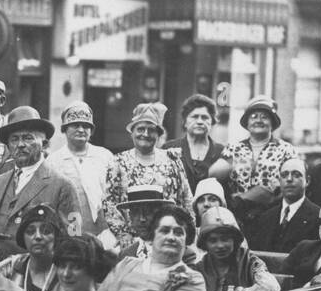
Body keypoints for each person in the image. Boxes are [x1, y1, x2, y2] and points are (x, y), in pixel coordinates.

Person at [102, 103, 193, 254]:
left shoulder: (172, 160)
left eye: (151, 130)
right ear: (132, 132)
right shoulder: (118, 161)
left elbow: (186, 198)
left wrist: (185, 233)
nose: (145, 134)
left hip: (167, 236)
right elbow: (109, 202)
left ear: (159, 134)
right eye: (140, 129)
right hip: (130, 239)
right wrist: (123, 233)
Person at [0, 106, 85, 240]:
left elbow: (74, 239)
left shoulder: (63, 186)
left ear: (44, 145)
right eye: (14, 139)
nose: (20, 144)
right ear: (8, 146)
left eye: (28, 138)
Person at [99, 207, 208, 291]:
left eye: (178, 232)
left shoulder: (191, 279)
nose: (171, 237)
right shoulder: (126, 264)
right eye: (164, 231)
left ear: (186, 241)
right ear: (151, 238)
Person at [48, 101, 112, 234]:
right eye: (76, 126)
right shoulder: (54, 161)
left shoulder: (104, 156)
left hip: (104, 226)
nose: (81, 130)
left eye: (86, 126)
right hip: (70, 227)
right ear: (65, 129)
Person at [196, 207, 280, 291]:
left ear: (234, 240)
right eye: (213, 241)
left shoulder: (250, 261)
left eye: (225, 239)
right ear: (205, 243)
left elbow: (271, 286)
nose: (220, 246)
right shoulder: (200, 267)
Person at [223, 95, 301, 196]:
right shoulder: (233, 149)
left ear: (272, 123)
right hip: (236, 209)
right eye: (253, 117)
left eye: (264, 117)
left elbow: (294, 181)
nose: (259, 121)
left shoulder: (286, 150)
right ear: (247, 123)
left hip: (274, 209)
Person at [0, 203, 64, 291]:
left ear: (56, 236)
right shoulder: (12, 266)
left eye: (46, 231)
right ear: (22, 237)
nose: (38, 236)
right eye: (30, 231)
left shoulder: (66, 269)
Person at [244, 158, 320, 256]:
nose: (289, 179)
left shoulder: (319, 217)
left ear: (307, 181)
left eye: (296, 175)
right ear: (279, 181)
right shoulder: (265, 218)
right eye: (284, 175)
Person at [163, 94, 226, 196]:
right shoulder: (169, 148)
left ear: (212, 121)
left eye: (205, 117)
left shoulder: (221, 151)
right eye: (195, 117)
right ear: (185, 122)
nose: (200, 121)